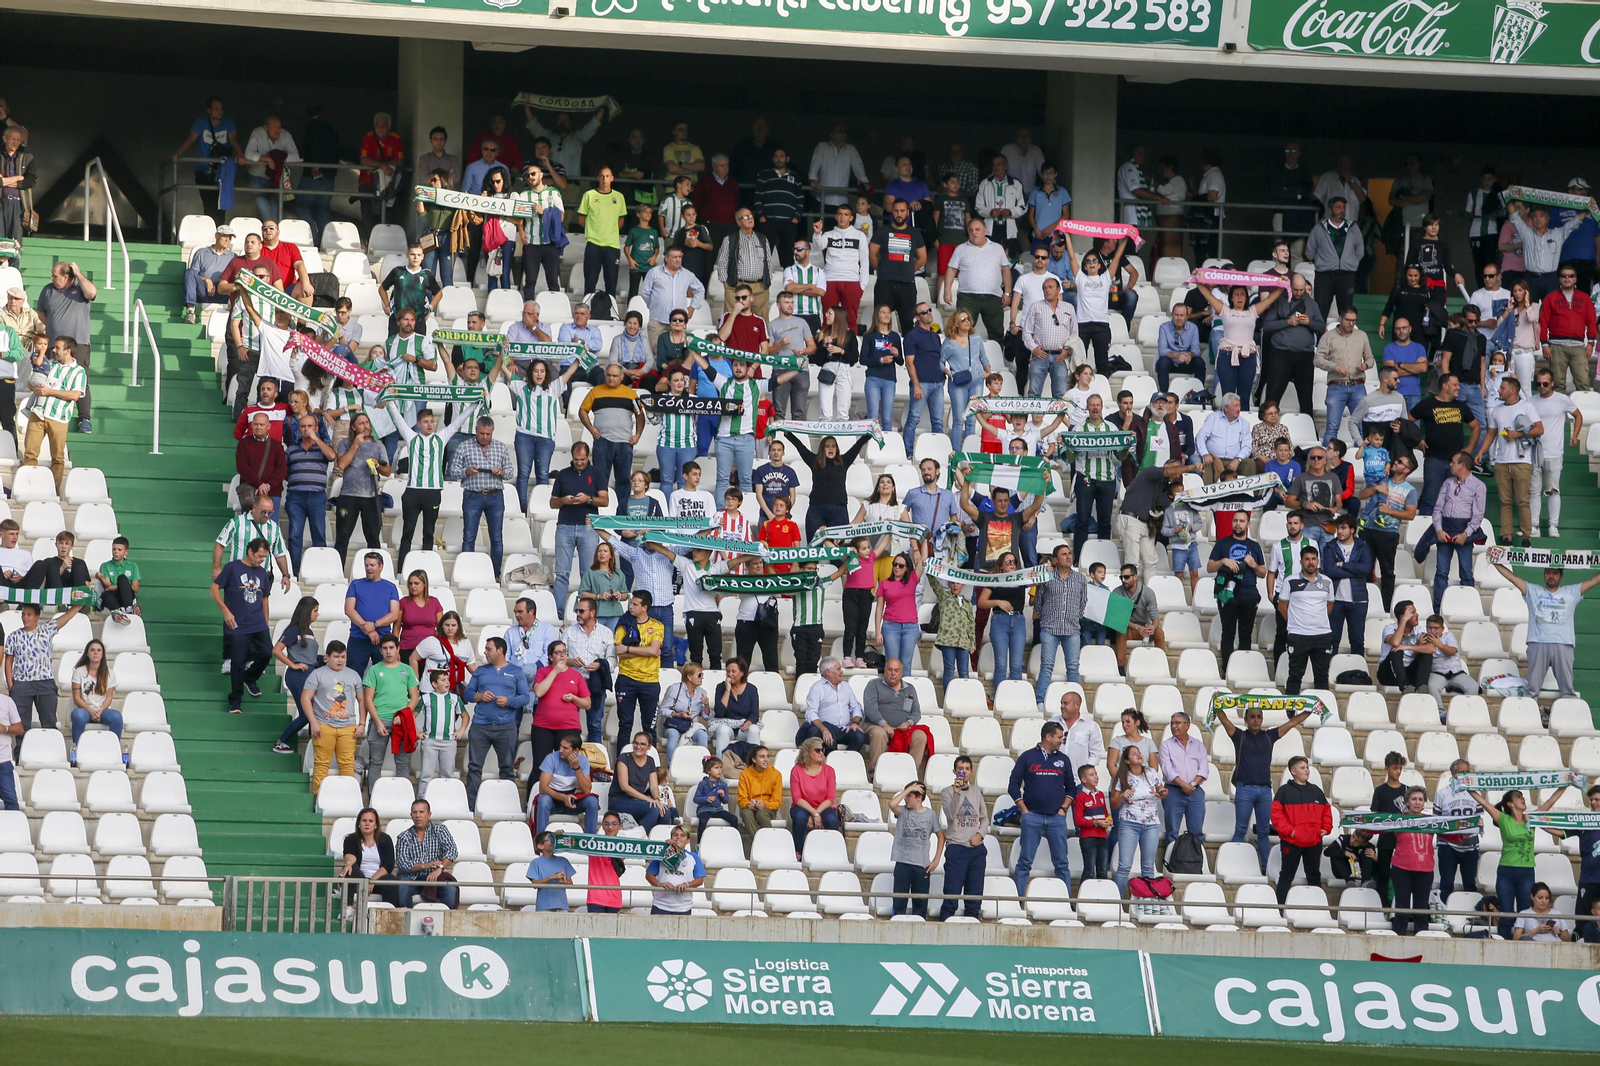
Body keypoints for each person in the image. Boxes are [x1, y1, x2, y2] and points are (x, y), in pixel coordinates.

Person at [1213, 701, 1314, 872]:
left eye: (1259, 717)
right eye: (1252, 717)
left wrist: (1311, 709)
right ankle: (1231, 864)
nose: (1256, 720)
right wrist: (1217, 704)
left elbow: (1292, 722)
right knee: (1241, 829)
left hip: (1265, 790)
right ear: (1245, 719)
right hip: (1245, 789)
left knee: (1263, 830)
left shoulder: (1270, 735)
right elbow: (1223, 720)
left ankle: (1265, 866)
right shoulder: (1240, 736)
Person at [1494, 552, 1600, 704]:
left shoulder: (1572, 591)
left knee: (1568, 691)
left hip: (1563, 645)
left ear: (1561, 576)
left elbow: (1593, 581)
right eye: (1548, 572)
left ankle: (1569, 722)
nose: (1551, 576)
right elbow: (1512, 578)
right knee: (1532, 691)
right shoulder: (1533, 590)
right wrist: (1494, 562)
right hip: (1537, 643)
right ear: (1544, 574)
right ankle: (1527, 719)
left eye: (1555, 573)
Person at [1464, 785, 1564, 938]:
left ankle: (1524, 945)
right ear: (1510, 803)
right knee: (1506, 914)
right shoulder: (1503, 818)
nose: (1523, 798)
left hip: (1527, 872)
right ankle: (1504, 948)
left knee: (1525, 913)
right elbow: (1484, 802)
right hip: (1506, 872)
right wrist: (1466, 786)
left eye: (1522, 796)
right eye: (1518, 796)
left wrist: (1566, 783)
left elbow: (1551, 801)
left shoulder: (1531, 818)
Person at [461, 636, 531, 809]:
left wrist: (509, 701)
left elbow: (525, 697)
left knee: (507, 768)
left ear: (500, 650)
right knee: (475, 767)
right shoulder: (480, 671)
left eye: (488, 649)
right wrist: (479, 696)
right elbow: (467, 694)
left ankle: (507, 806)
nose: (485, 652)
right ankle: (472, 806)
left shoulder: (516, 671)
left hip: (506, 727)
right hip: (480, 726)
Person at [1008, 720, 1076, 892]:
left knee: (1062, 863)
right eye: (1059, 737)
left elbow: (1072, 788)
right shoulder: (1027, 757)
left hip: (1056, 818)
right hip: (1032, 817)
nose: (1062, 741)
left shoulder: (1063, 759)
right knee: (1024, 862)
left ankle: (1066, 902)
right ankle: (1017, 901)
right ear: (1048, 736)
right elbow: (1013, 785)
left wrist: (1063, 810)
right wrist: (1024, 810)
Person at [1477, 375, 1542, 545]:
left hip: (1522, 460)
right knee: (1505, 501)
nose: (1499, 390)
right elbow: (1491, 433)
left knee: (1522, 500)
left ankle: (1526, 535)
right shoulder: (1497, 410)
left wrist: (1519, 434)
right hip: (1502, 460)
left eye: (1502, 388)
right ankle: (1507, 535)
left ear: (1512, 391)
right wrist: (1481, 452)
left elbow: (1539, 429)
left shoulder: (1527, 406)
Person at [210, 537, 271, 715]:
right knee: (237, 662)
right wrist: (225, 611)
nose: (261, 560)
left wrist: (266, 620)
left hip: (258, 622)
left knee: (267, 653)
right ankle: (235, 701)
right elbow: (214, 589)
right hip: (237, 623)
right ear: (250, 551)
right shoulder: (232, 568)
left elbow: (265, 597)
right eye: (259, 556)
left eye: (264, 557)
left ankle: (250, 677)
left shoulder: (262, 572)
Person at [357, 635, 419, 794]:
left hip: (402, 722)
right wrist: (377, 722)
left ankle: (402, 797)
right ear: (380, 650)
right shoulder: (375, 670)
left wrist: (404, 715)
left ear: (398, 649)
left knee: (402, 763)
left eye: (391, 648)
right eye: (385, 648)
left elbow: (414, 697)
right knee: (376, 762)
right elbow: (368, 699)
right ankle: (374, 797)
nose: (388, 651)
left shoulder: (407, 670)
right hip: (381, 720)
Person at [1270, 755, 1331, 906]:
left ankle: (1318, 909)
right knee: (1286, 876)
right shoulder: (1284, 791)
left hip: (1314, 841)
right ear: (1293, 771)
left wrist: (1326, 828)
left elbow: (1327, 811)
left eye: (1307, 767)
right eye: (1303, 768)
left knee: (1314, 876)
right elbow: (1276, 815)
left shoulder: (1316, 791)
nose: (1307, 771)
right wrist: (1290, 832)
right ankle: (1279, 911)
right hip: (1292, 842)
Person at [1528, 369, 1582, 538]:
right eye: (1538, 384)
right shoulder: (1530, 401)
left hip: (1554, 452)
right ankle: (1534, 525)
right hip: (1534, 452)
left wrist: (1574, 435)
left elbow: (1578, 416)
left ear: (1552, 383)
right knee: (1534, 491)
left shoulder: (1562, 400)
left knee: (1553, 490)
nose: (1542, 387)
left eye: (1545, 383)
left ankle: (1553, 526)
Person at [1032, 544, 1087, 710]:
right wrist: (1045, 620)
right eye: (1064, 554)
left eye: (1070, 553)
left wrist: (1073, 619)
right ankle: (1040, 701)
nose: (1068, 557)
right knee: (1047, 666)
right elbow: (1038, 602)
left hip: (1072, 629)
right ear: (1056, 559)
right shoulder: (1047, 577)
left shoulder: (1080, 578)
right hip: (1050, 629)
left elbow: (1082, 602)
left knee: (1073, 668)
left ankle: (1075, 704)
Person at [302, 640, 361, 793]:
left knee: (347, 764)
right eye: (336, 656)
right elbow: (305, 698)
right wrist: (313, 722)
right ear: (327, 657)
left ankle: (348, 798)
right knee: (322, 764)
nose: (340, 660)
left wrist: (361, 723)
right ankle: (318, 800)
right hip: (324, 725)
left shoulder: (353, 675)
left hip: (348, 726)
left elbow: (362, 700)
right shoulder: (317, 674)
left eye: (343, 656)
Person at [612, 591, 665, 758]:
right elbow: (619, 652)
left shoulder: (657, 625)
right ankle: (621, 762)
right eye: (631, 603)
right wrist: (646, 652)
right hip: (626, 679)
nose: (630, 607)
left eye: (635, 604)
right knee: (625, 725)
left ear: (644, 607)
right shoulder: (623, 624)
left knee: (649, 726)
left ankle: (652, 764)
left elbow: (653, 649)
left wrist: (629, 649)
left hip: (649, 681)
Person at [1110, 745, 1166, 895]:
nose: (1139, 755)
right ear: (1127, 760)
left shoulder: (1151, 772)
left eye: (1139, 752)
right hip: (1129, 823)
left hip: (1151, 823)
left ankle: (1146, 902)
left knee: (1148, 867)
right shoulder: (1122, 777)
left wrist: (1162, 792)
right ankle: (1117, 903)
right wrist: (1122, 795)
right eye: (1134, 754)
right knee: (1124, 867)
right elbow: (1113, 804)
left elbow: (1161, 790)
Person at [270, 597, 320, 755]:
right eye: (315, 611)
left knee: (313, 712)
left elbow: (309, 657)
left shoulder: (309, 631)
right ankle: (281, 742)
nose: (317, 614)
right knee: (307, 714)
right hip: (298, 676)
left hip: (310, 674)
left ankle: (315, 745)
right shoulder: (293, 630)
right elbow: (276, 650)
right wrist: (292, 664)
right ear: (307, 612)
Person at [863, 656, 928, 776]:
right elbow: (870, 708)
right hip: (876, 725)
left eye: (896, 670)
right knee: (879, 733)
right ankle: (874, 773)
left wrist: (909, 723)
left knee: (920, 735)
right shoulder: (874, 684)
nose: (893, 673)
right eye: (890, 670)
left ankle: (911, 773)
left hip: (902, 729)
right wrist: (884, 724)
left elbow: (916, 712)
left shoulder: (910, 688)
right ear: (885, 669)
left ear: (902, 672)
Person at [887, 781, 942, 918]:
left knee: (920, 904)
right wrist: (908, 789)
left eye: (909, 795)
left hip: (921, 865)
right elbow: (892, 804)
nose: (906, 798)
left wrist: (936, 860)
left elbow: (941, 836)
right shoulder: (903, 811)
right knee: (899, 902)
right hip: (902, 862)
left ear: (919, 797)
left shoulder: (930, 815)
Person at [415, 668, 469, 799]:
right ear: (434, 684)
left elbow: (465, 716)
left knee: (448, 774)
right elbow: (412, 716)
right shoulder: (425, 698)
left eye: (448, 679)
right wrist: (417, 732)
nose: (447, 682)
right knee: (427, 773)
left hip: (449, 742)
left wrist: (461, 730)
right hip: (430, 742)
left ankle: (446, 799)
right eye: (443, 680)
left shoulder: (455, 698)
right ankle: (422, 799)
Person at [395, 799, 458, 910]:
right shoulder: (404, 837)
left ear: (429, 814)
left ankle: (446, 921)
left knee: (450, 888)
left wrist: (439, 868)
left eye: (421, 812)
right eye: (415, 812)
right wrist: (425, 865)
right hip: (412, 878)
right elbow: (403, 864)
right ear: (411, 815)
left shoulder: (440, 830)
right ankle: (405, 920)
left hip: (435, 877)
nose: (418, 815)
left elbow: (452, 850)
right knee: (403, 885)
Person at [533, 732, 599, 835]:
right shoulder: (551, 758)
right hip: (553, 800)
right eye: (561, 746)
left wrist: (577, 768)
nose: (561, 750)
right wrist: (563, 797)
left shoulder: (583, 761)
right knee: (543, 800)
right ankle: (542, 840)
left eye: (565, 748)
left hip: (571, 803)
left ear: (576, 750)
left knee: (592, 801)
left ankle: (589, 841)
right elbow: (543, 788)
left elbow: (586, 790)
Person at [611, 730, 678, 832]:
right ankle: (641, 838)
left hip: (638, 800)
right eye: (636, 743)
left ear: (649, 746)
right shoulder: (623, 759)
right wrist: (648, 800)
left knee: (665, 811)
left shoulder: (650, 761)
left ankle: (658, 842)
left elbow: (654, 786)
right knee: (654, 808)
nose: (638, 746)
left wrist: (656, 799)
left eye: (643, 744)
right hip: (620, 800)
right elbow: (624, 786)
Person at [799, 657, 867, 755]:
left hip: (844, 730)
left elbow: (856, 707)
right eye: (838, 669)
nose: (842, 671)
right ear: (828, 672)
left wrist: (855, 723)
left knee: (859, 736)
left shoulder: (846, 686)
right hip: (824, 729)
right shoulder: (817, 688)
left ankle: (844, 762)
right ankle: (824, 762)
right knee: (813, 732)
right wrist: (824, 729)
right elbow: (811, 713)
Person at [789, 735, 839, 859]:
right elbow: (797, 798)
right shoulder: (797, 770)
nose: (821, 753)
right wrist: (814, 814)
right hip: (802, 806)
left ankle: (831, 852)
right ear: (807, 752)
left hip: (822, 806)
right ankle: (798, 852)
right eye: (817, 750)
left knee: (831, 819)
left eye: (822, 750)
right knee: (800, 817)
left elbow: (830, 798)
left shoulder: (829, 771)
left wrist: (817, 813)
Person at [67, 640, 119, 756]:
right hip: (84, 709)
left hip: (102, 710)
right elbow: (77, 698)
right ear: (87, 653)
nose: (95, 653)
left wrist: (100, 711)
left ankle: (113, 751)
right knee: (79, 716)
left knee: (116, 717)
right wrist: (91, 711)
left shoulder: (110, 673)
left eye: (99, 650)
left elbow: (109, 698)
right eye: (92, 650)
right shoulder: (79, 672)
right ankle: (77, 750)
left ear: (102, 654)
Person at [644, 825, 706, 916]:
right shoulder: (662, 854)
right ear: (671, 837)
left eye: (682, 835)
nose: (678, 837)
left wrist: (686, 884)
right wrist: (660, 884)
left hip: (683, 906)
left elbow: (700, 880)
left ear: (688, 840)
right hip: (660, 905)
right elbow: (649, 875)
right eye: (675, 835)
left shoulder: (693, 857)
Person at [660, 662, 711, 765]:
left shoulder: (702, 692)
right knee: (673, 735)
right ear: (689, 676)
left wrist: (706, 706)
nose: (702, 678)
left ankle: (704, 767)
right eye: (699, 675)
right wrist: (678, 714)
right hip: (675, 724)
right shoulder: (674, 689)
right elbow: (662, 710)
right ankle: (671, 768)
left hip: (693, 725)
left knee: (703, 735)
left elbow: (706, 717)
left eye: (702, 675)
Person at [709, 657, 760, 755]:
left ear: (742, 673)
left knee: (754, 729)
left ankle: (753, 765)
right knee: (723, 729)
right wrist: (727, 690)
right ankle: (721, 764)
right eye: (728, 671)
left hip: (743, 727)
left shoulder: (751, 689)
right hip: (725, 725)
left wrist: (748, 723)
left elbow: (754, 714)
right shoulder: (721, 687)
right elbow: (719, 712)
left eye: (733, 671)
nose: (730, 674)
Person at [737, 745, 782, 845]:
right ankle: (761, 844)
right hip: (750, 806)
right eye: (762, 757)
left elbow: (777, 802)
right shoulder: (745, 774)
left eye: (767, 756)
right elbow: (741, 799)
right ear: (754, 759)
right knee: (745, 813)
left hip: (768, 808)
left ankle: (766, 843)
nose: (766, 760)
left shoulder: (776, 774)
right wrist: (748, 804)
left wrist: (765, 805)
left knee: (761, 814)